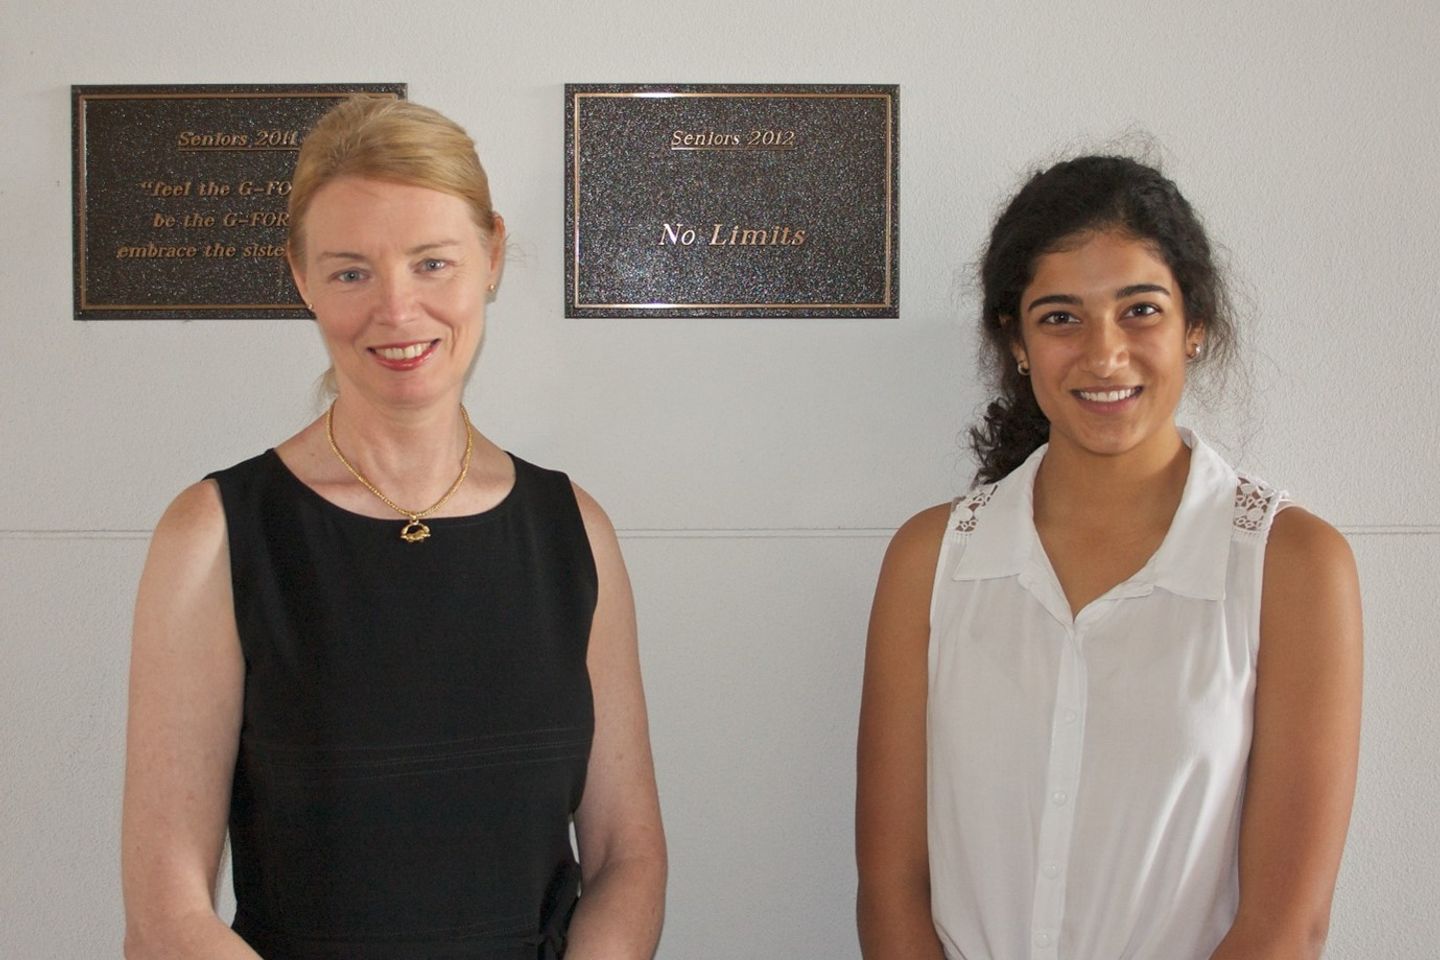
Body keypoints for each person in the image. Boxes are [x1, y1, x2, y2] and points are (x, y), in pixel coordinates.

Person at [122, 96, 666, 960]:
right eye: (350, 272)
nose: (398, 309)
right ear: (299, 278)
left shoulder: (574, 532)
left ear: (490, 254)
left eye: (431, 263)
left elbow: (625, 858)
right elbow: (165, 916)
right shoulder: (216, 537)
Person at [856, 155, 1362, 959]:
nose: (1104, 354)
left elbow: (1285, 924)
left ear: (1195, 325)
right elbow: (891, 889)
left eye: (1140, 310)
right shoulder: (931, 559)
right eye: (1060, 317)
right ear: (1013, 340)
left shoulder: (1293, 565)